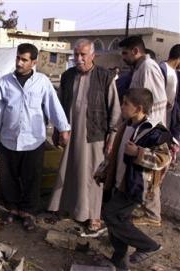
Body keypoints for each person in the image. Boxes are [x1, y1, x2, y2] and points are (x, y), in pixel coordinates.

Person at [0, 43, 70, 231]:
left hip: (33, 140)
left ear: (34, 62)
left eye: (24, 60)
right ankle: (13, 209)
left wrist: (63, 129)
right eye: (18, 58)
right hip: (8, 139)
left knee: (32, 178)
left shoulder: (42, 82)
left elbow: (53, 106)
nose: (19, 63)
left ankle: (28, 213)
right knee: (9, 177)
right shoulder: (5, 82)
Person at [47, 39, 121, 237]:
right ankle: (68, 207)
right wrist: (57, 130)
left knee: (93, 175)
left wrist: (112, 137)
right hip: (70, 132)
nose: (79, 59)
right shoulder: (67, 76)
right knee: (70, 169)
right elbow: (60, 106)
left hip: (94, 133)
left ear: (93, 55)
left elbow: (115, 110)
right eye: (76, 55)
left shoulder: (106, 77)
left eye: (83, 55)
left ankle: (94, 216)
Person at [100, 88, 171, 271]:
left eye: (125, 104)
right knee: (118, 219)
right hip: (118, 181)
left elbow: (164, 158)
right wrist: (103, 172)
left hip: (135, 187)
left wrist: (139, 153)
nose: (122, 107)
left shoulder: (153, 130)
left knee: (111, 214)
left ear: (138, 108)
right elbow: (114, 154)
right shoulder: (126, 125)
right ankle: (119, 259)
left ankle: (149, 246)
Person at [119, 36, 167, 226]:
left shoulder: (148, 67)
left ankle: (152, 214)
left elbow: (149, 102)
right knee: (140, 171)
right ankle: (143, 207)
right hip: (142, 127)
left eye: (125, 53)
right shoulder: (140, 68)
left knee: (149, 172)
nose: (123, 57)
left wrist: (142, 127)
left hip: (149, 130)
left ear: (135, 51)